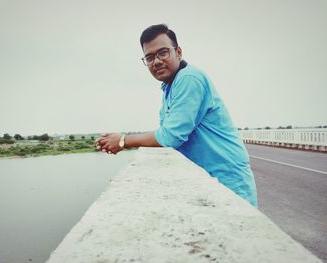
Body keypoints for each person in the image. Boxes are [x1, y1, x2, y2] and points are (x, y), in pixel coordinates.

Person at [95, 24, 258, 207]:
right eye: (149, 57)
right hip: (209, 180)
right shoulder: (170, 86)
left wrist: (123, 141)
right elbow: (167, 133)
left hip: (226, 180)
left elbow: (170, 137)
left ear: (178, 52)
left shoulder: (189, 78)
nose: (156, 61)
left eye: (163, 53)